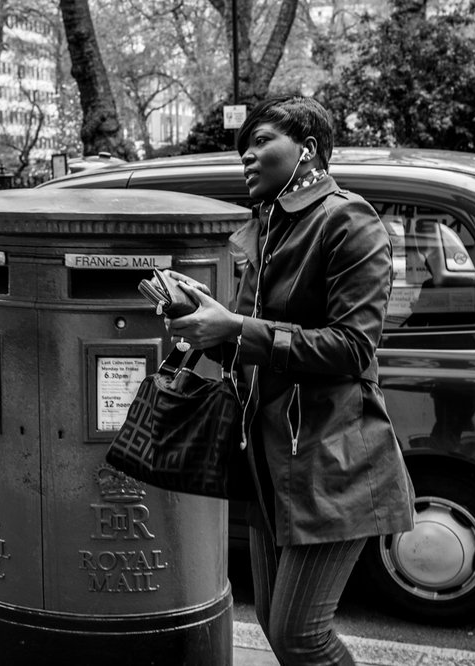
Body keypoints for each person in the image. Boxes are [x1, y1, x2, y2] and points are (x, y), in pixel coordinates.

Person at [164, 96, 415, 665]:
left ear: (308, 149)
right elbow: (252, 341)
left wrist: (237, 327)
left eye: (261, 142)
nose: (246, 157)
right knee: (277, 630)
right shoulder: (269, 226)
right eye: (242, 148)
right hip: (269, 459)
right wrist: (204, 320)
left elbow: (353, 347)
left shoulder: (347, 220)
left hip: (333, 460)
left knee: (302, 635)